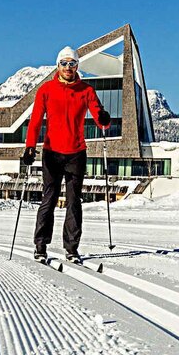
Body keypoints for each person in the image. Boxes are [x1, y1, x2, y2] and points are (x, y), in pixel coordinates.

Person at [22, 46, 111, 264]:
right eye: (64, 63)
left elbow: (100, 118)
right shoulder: (46, 90)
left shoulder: (86, 91)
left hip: (76, 153)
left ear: (77, 66)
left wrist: (104, 118)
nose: (68, 68)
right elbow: (35, 122)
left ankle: (71, 248)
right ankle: (40, 246)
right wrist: (30, 147)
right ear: (58, 65)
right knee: (49, 199)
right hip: (52, 152)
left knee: (74, 201)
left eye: (72, 64)